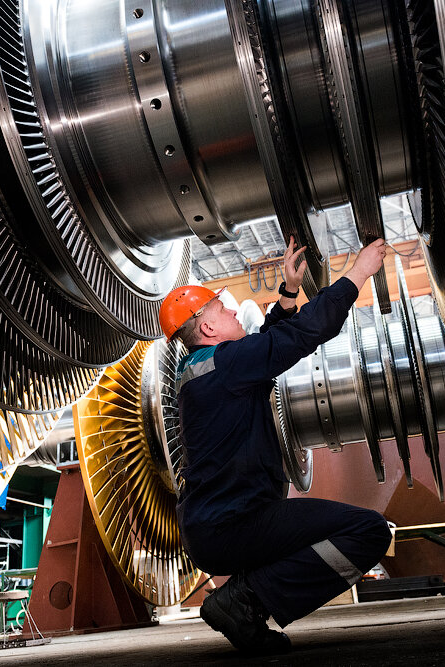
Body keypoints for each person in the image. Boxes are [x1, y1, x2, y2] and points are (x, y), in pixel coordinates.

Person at [157, 237, 394, 655]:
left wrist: (287, 292)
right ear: (208, 328)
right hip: (235, 524)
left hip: (215, 527)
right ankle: (245, 600)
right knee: (368, 530)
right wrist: (359, 273)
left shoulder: (203, 369)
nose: (233, 310)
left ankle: (246, 609)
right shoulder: (226, 365)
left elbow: (263, 348)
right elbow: (303, 334)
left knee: (341, 529)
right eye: (223, 310)